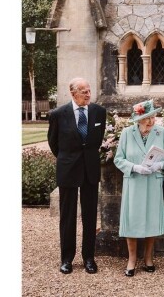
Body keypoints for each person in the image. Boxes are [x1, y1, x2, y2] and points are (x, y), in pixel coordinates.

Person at [47, 78, 106, 274]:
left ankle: (89, 258)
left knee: (90, 216)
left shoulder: (99, 112)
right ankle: (66, 259)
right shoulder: (58, 114)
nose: (88, 94)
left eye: (89, 91)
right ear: (73, 93)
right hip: (68, 169)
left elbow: (96, 141)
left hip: (90, 169)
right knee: (68, 216)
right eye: (84, 91)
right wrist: (68, 160)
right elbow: (54, 143)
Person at [114, 99, 164, 277]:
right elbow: (118, 159)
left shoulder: (161, 132)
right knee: (132, 220)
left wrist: (160, 166)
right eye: (147, 118)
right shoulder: (127, 133)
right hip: (134, 181)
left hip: (153, 181)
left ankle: (148, 258)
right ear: (138, 119)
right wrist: (135, 167)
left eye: (153, 117)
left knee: (151, 219)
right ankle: (132, 259)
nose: (151, 121)